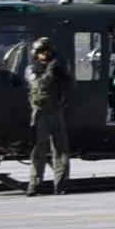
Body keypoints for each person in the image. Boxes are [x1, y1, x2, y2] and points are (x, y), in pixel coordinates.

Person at [21, 25, 70, 196]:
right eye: (42, 52)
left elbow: (70, 85)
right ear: (36, 54)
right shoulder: (31, 69)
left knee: (61, 150)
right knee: (38, 149)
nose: (45, 55)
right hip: (40, 112)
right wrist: (51, 70)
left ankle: (61, 184)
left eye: (48, 52)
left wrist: (64, 71)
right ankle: (35, 184)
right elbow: (40, 85)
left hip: (56, 110)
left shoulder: (57, 69)